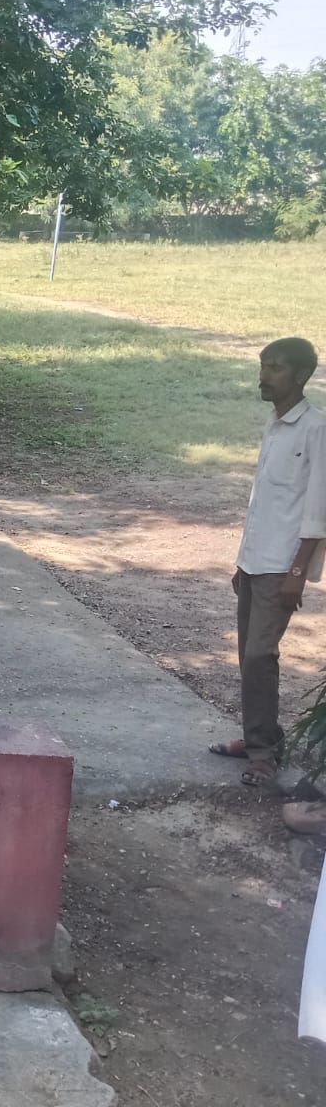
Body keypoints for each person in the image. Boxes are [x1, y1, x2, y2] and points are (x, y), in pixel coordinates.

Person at [210, 337, 326, 787]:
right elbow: (264, 503)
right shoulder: (274, 426)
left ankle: (262, 755)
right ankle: (263, 737)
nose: (264, 375)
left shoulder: (316, 429)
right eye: (263, 365)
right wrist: (242, 562)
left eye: (275, 367)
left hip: (283, 565)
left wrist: (298, 571)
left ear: (301, 375)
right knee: (248, 656)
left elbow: (317, 509)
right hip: (256, 560)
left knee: (260, 655)